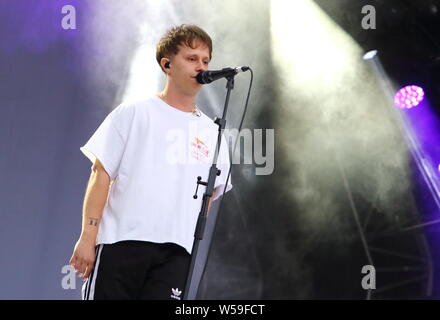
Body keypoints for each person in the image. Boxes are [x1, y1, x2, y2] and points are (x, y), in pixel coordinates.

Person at [69, 24, 233, 300]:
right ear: (167, 64)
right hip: (122, 244)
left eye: (206, 60)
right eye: (192, 59)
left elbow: (209, 196)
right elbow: (101, 174)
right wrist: (88, 237)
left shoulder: (212, 132)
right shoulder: (134, 112)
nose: (201, 67)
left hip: (175, 254)